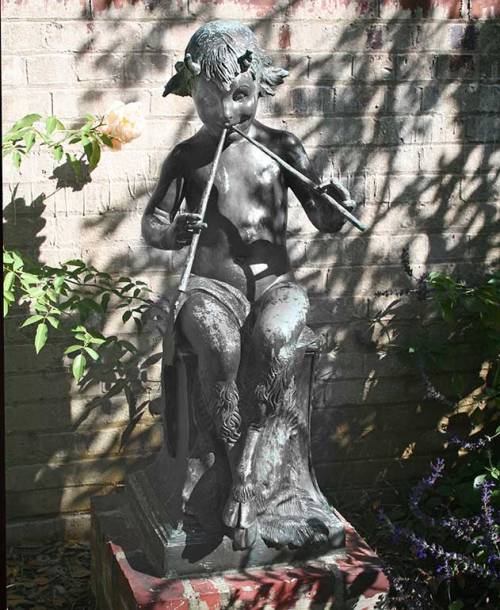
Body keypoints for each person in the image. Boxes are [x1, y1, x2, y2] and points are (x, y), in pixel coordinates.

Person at [142, 20, 354, 550]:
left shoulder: (282, 147)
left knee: (277, 341)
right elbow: (152, 224)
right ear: (193, 94)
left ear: (259, 86)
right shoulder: (188, 159)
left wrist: (340, 203)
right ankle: (232, 460)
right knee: (217, 343)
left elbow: (325, 220)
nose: (227, 113)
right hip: (211, 287)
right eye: (211, 101)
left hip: (273, 285)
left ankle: (246, 471)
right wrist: (175, 231)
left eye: (238, 97)